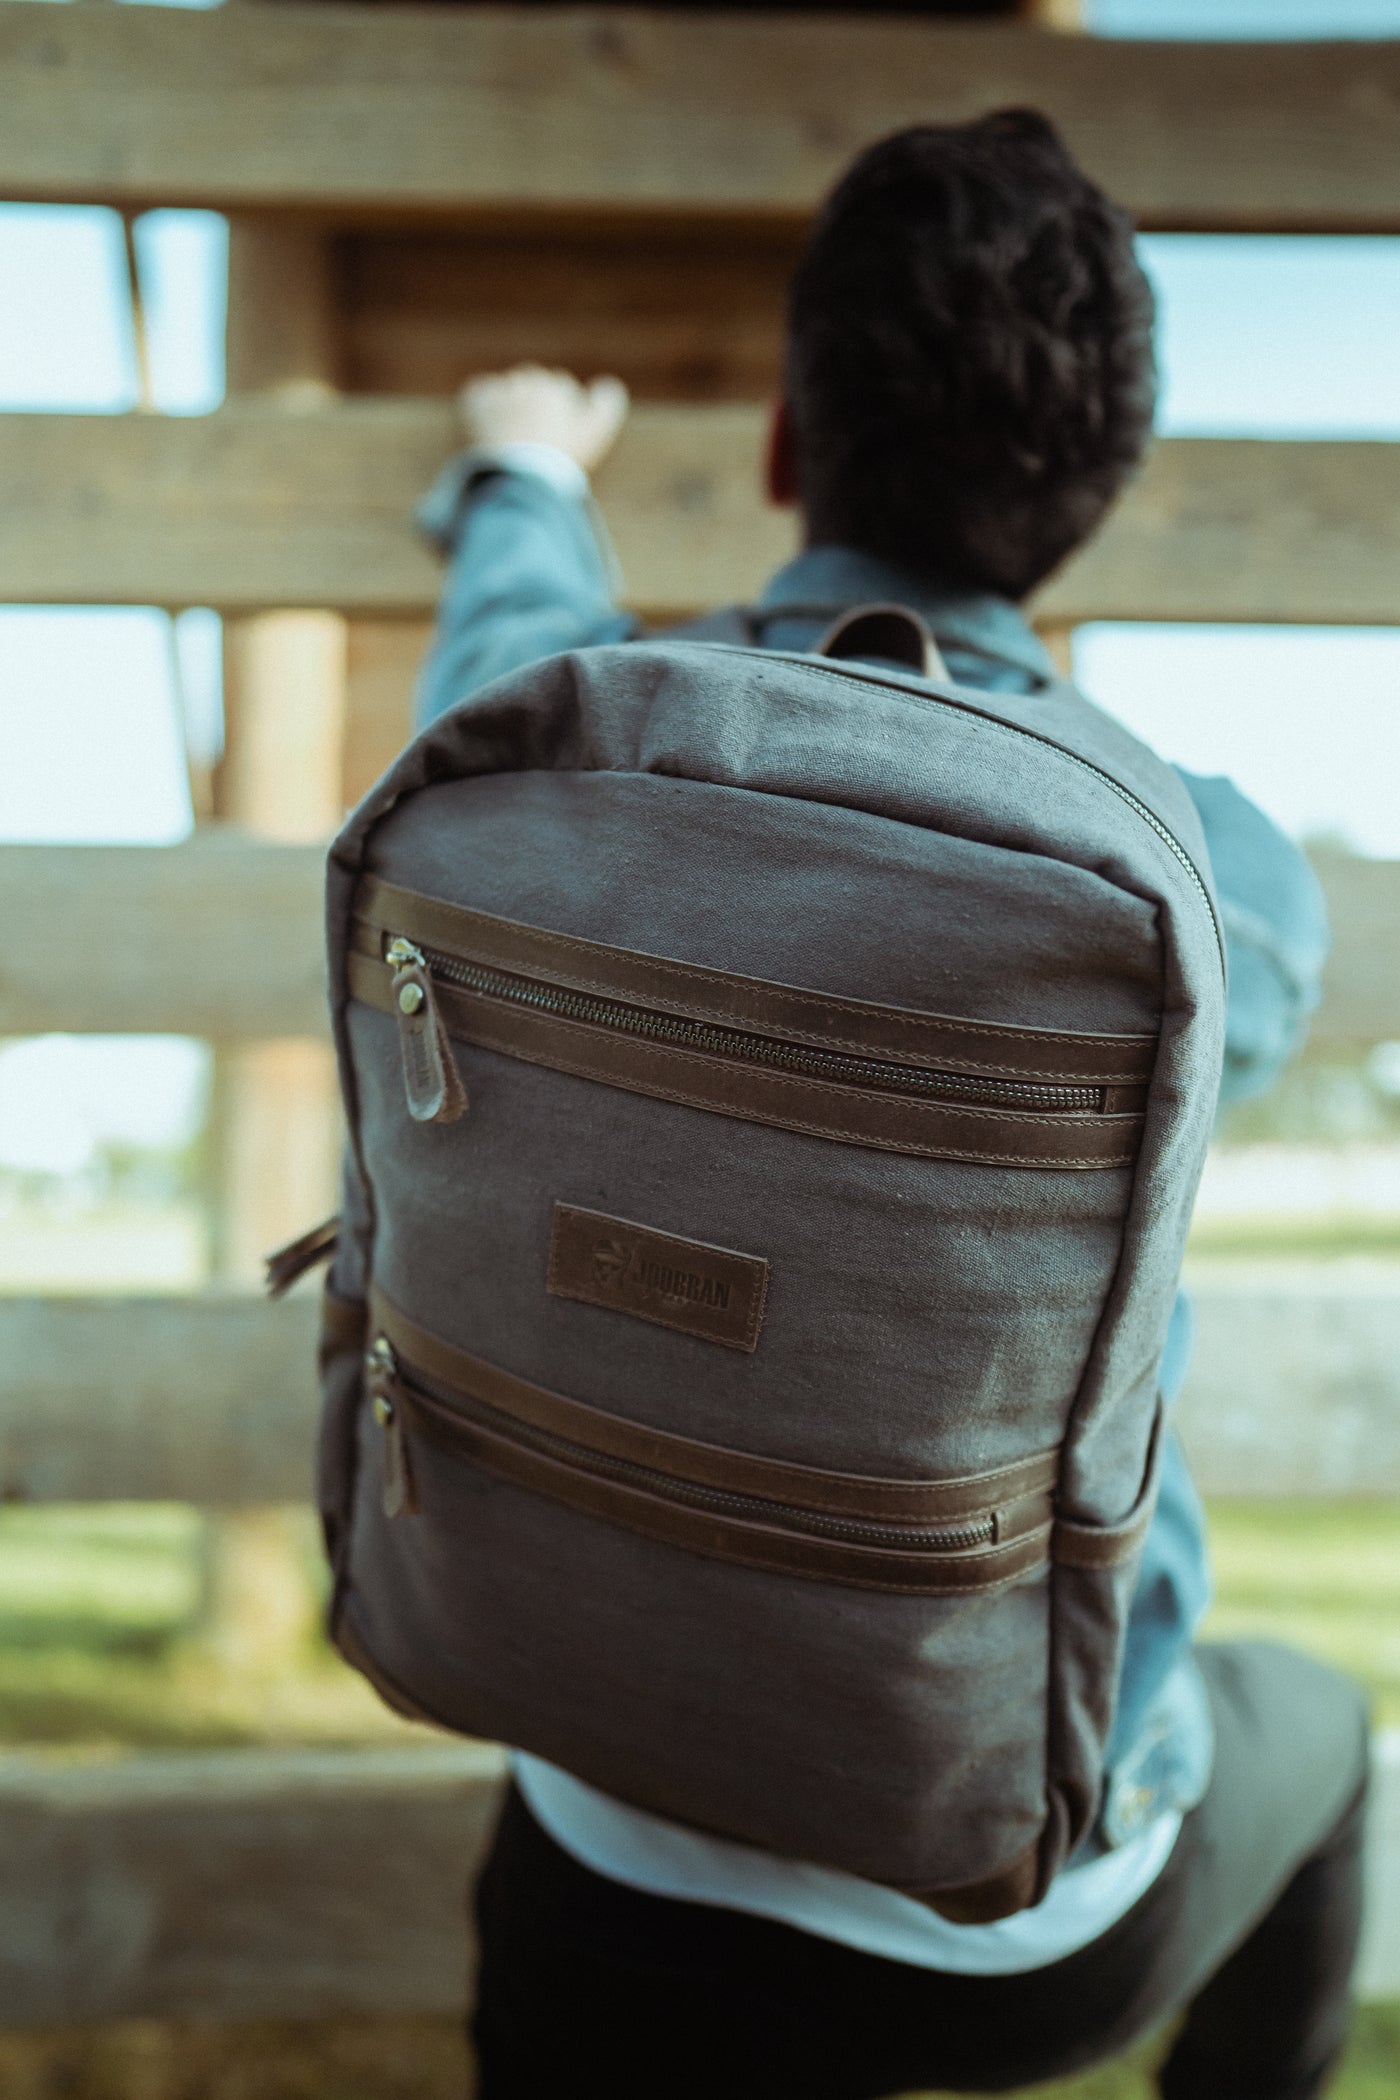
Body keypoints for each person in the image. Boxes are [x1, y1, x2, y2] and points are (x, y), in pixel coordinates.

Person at [410, 111, 1363, 2100]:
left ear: (781, 441)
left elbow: (502, 653)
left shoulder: (545, 766)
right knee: (1333, 1732)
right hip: (1008, 1921)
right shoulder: (1216, 873)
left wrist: (523, 469)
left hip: (596, 1860)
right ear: (1091, 502)